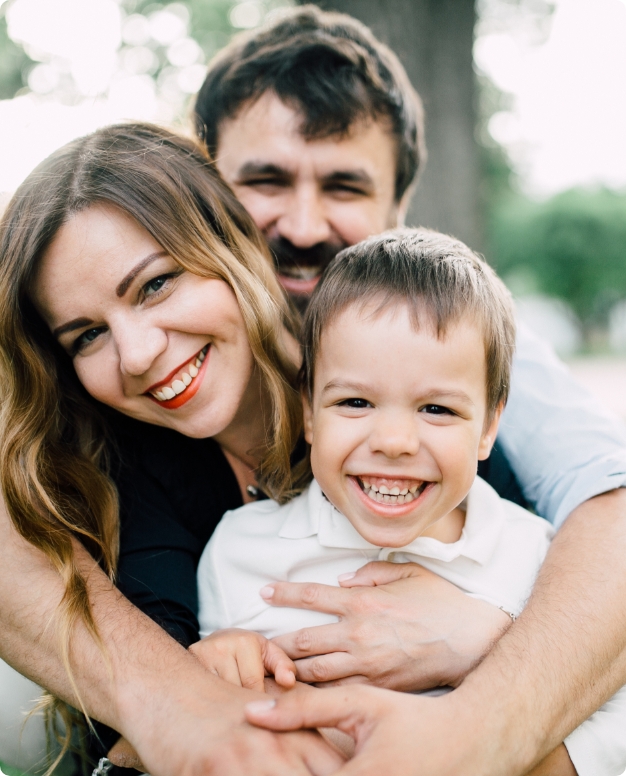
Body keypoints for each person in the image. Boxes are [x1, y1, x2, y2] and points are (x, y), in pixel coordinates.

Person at [192, 6, 626, 775]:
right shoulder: (144, 349)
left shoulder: (490, 358)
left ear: (397, 212)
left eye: (344, 185)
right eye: (265, 179)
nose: (301, 222)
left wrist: (488, 656)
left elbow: (615, 503)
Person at [0, 122, 344, 775]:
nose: (136, 353)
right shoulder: (122, 472)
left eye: (155, 284)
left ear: (233, 241)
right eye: (87, 336)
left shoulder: (391, 388)